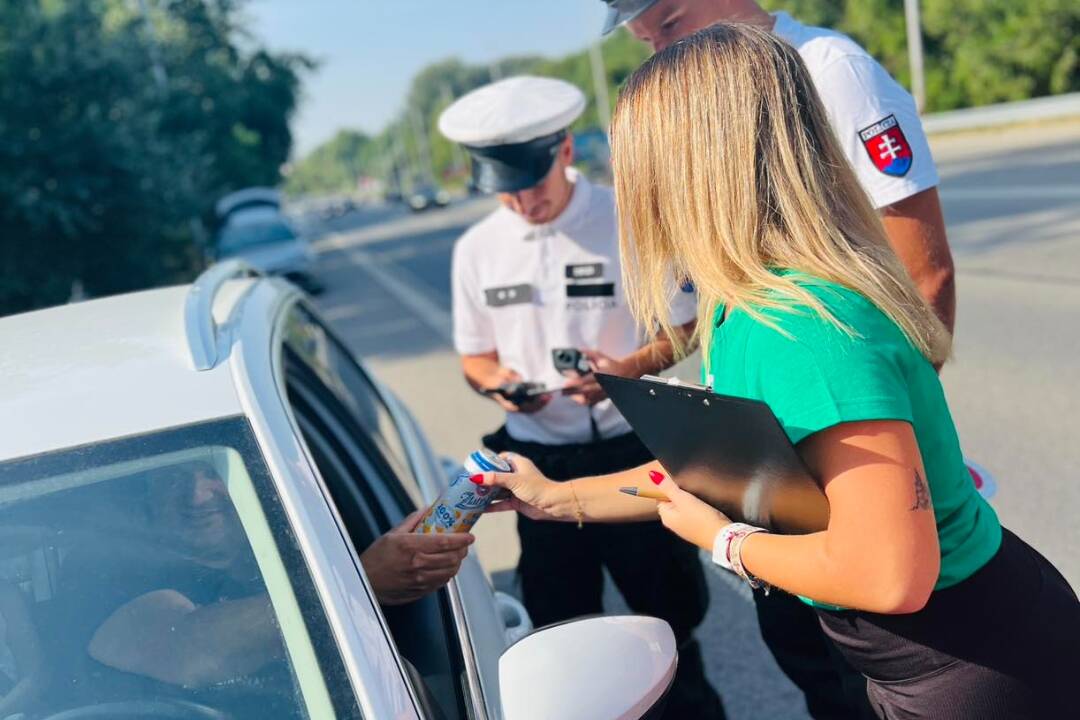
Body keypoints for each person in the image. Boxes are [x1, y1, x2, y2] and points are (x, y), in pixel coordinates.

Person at [479, 25, 1080, 719]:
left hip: (966, 666)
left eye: (635, 162)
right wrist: (557, 497)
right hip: (934, 652)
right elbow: (728, 472)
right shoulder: (747, 306)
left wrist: (725, 540)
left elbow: (889, 575)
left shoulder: (799, 327)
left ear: (687, 170)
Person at [440, 75, 723, 718]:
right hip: (538, 465)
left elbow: (687, 324)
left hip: (631, 452)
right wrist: (499, 388)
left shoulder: (631, 219)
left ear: (565, 150)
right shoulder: (477, 249)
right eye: (504, 191)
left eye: (531, 185)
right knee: (562, 634)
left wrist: (626, 369)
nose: (522, 203)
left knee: (672, 622)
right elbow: (474, 357)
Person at [599, 0, 955, 335]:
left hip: (846, 365)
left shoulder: (832, 72)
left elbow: (926, 275)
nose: (663, 51)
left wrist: (894, 391)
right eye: (648, 40)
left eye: (670, 23)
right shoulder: (709, 107)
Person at [61, 461, 471, 700]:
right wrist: (358, 585)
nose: (196, 495)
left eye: (213, 473)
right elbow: (190, 650)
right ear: (146, 495)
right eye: (173, 478)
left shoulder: (313, 547)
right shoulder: (118, 577)